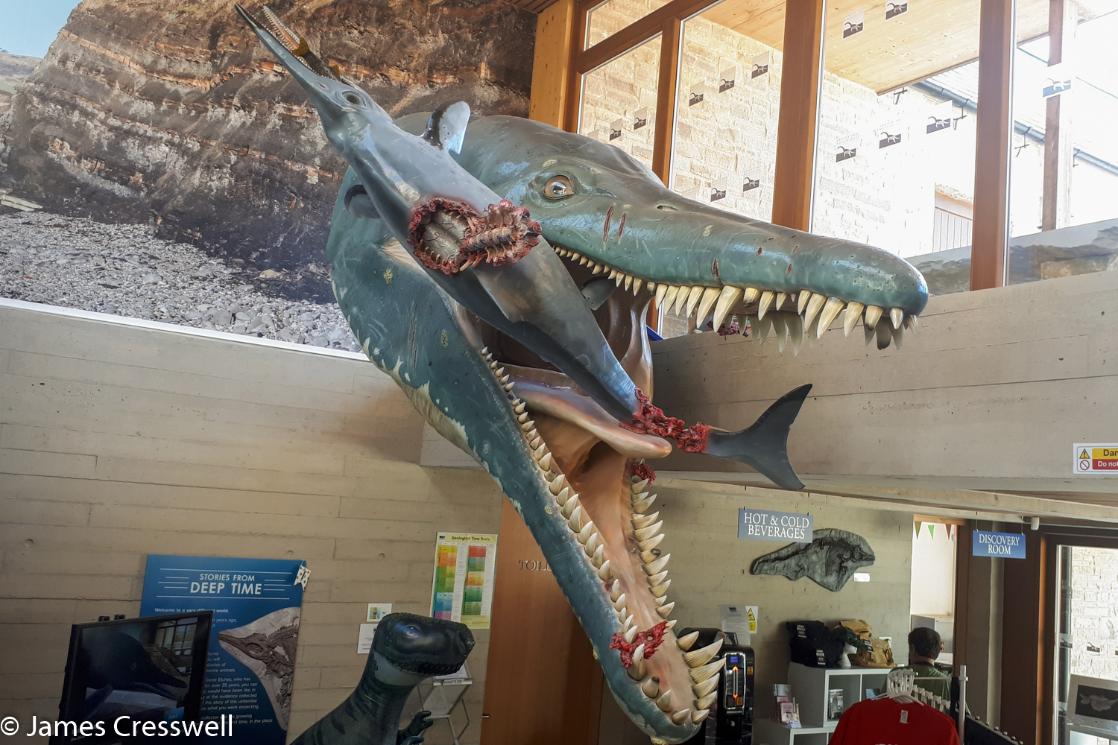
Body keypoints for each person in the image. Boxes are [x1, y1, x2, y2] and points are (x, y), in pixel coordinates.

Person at [902, 627, 951, 700]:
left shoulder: (895, 675)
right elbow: (963, 710)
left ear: (912, 649)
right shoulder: (945, 682)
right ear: (937, 651)